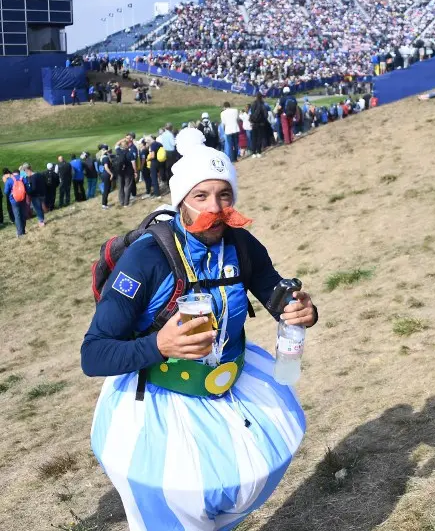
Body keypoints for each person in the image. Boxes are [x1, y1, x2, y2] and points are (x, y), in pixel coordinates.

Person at [81, 141, 316, 529]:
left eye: (224, 195)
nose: (214, 208)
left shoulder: (241, 244)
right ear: (180, 202)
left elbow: (275, 293)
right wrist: (159, 345)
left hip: (232, 387)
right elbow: (93, 354)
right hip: (161, 400)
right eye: (200, 196)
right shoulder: (146, 258)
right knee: (172, 511)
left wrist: (301, 309)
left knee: (229, 493)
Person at [3, 168, 26, 237]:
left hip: (14, 200)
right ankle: (23, 230)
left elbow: (6, 192)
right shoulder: (23, 179)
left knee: (17, 216)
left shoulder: (10, 180)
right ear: (19, 173)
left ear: (13, 173)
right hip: (22, 199)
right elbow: (27, 189)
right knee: (22, 214)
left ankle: (20, 233)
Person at [249, 93, 273, 158]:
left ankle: (253, 153)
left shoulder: (253, 104)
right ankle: (259, 152)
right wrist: (263, 121)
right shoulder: (263, 104)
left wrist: (252, 120)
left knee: (254, 138)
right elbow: (266, 115)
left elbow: (251, 113)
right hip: (261, 123)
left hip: (254, 123)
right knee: (259, 138)